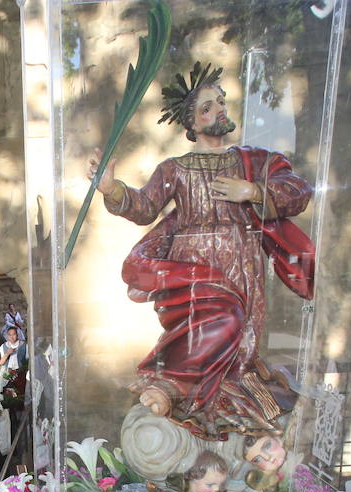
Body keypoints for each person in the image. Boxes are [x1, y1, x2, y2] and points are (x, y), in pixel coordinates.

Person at [89, 60, 314, 440]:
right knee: (218, 321)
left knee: (239, 341)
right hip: (192, 267)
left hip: (241, 261)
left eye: (221, 103)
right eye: (207, 107)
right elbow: (144, 206)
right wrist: (112, 189)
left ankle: (216, 400)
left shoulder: (252, 162)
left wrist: (255, 191)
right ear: (191, 124)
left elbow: (298, 191)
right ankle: (168, 387)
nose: (219, 111)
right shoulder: (175, 168)